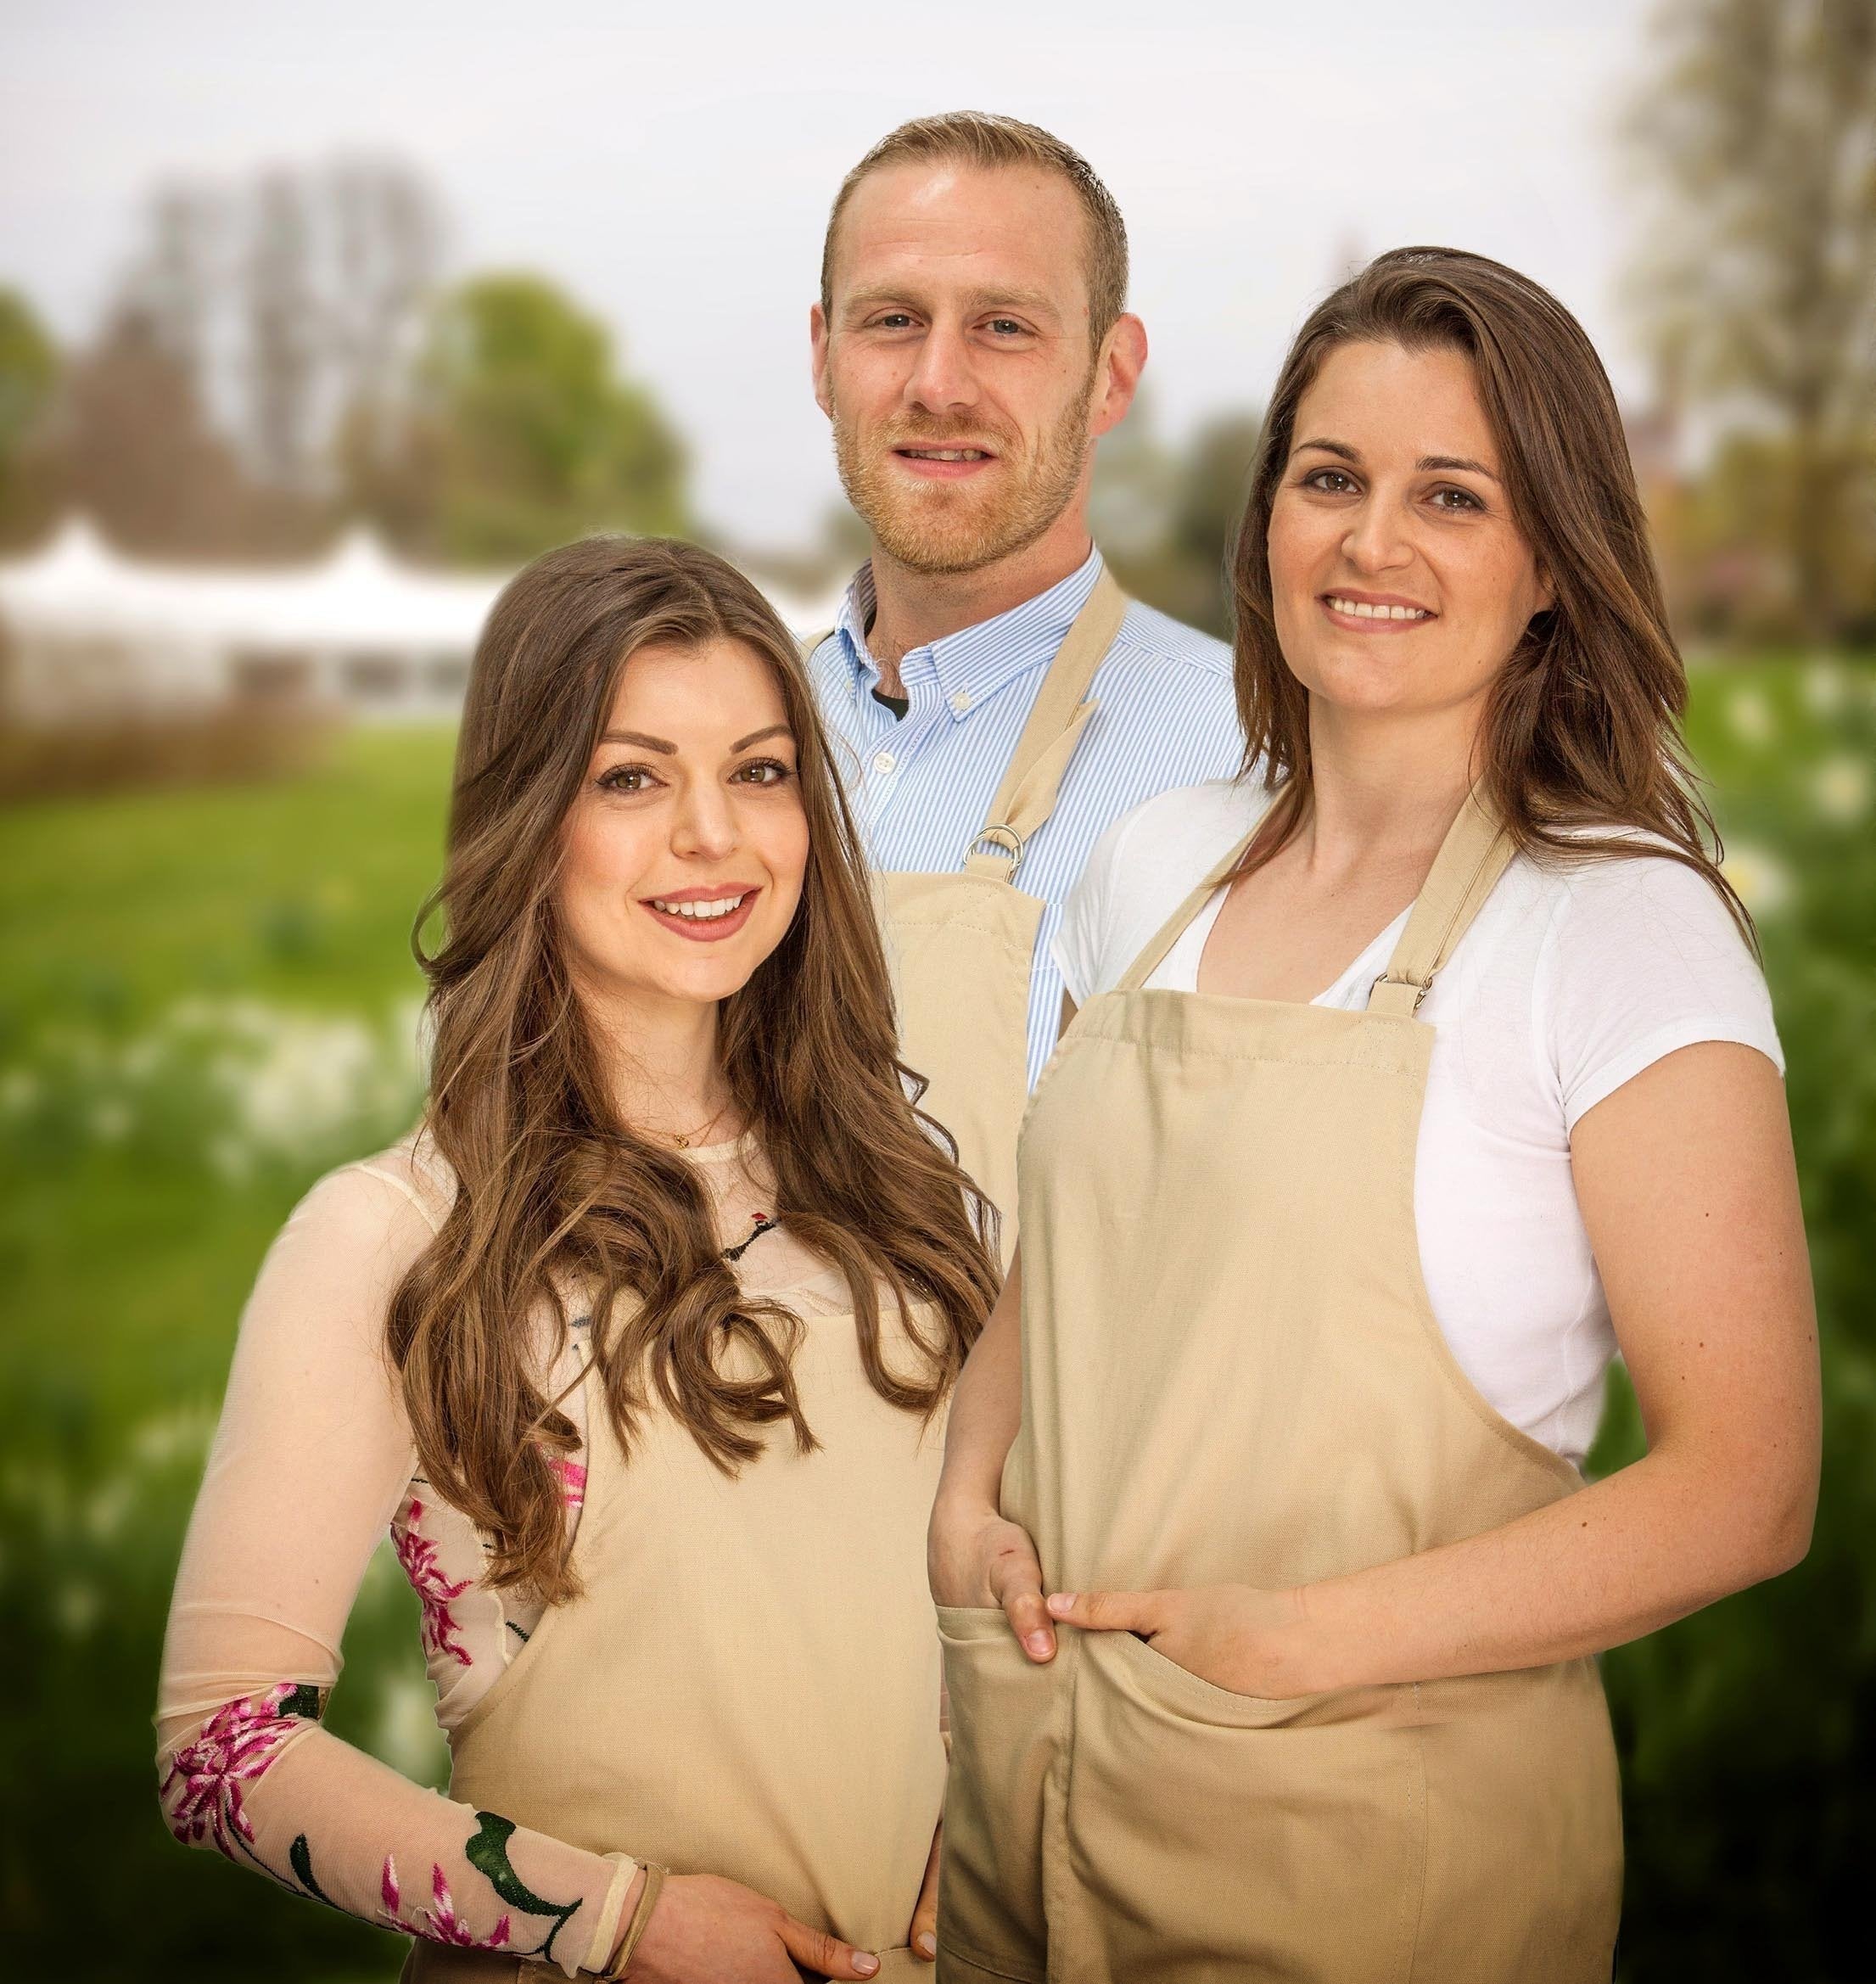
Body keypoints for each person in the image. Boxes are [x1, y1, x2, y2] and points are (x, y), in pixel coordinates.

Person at [927, 249, 1821, 1982]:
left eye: (1451, 497)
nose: (1368, 543)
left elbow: (1743, 1484)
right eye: (1327, 478)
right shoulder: (1155, 857)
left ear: (1551, 561)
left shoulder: (1612, 924)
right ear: (1264, 516)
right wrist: (964, 1494)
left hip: (1372, 1858)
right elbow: (1076, 1243)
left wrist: (1295, 1642)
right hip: (1026, 1817)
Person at [157, 536, 1000, 1981]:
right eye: (630, 778)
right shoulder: (397, 1235)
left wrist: (963, 1813)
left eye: (758, 769)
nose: (713, 836)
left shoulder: (910, 1201)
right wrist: (615, 1919)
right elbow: (224, 1746)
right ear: (528, 817)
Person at [806, 113, 1241, 1245]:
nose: (938, 382)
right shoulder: (713, 743)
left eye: (1004, 326)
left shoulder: (1250, 758)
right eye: (893, 320)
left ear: (1111, 374)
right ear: (821, 357)